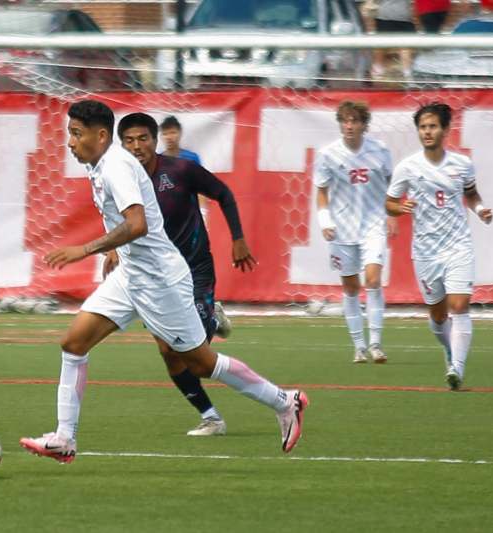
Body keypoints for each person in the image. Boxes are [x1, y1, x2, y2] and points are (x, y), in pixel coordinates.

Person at [19, 100, 308, 463]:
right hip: (131, 275)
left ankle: (286, 401)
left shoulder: (117, 167)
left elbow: (137, 224)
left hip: (160, 282)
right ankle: (64, 438)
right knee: (74, 343)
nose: (70, 142)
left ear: (101, 135)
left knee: (201, 364)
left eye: (76, 134)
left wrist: (87, 248)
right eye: (70, 134)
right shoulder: (102, 165)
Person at [115, 112, 256, 436]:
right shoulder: (121, 180)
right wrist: (112, 250)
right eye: (129, 141)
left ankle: (211, 317)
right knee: (167, 352)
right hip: (156, 277)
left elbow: (223, 194)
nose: (137, 146)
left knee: (194, 355)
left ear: (155, 140)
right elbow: (118, 221)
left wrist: (237, 239)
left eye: (143, 139)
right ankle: (211, 417)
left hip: (195, 269)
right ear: (122, 146)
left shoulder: (180, 170)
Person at [386, 102, 492, 390]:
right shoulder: (407, 167)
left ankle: (457, 367)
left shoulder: (462, 164)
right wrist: (399, 207)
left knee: (459, 305)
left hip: (459, 244)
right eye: (422, 127)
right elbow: (389, 203)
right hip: (425, 251)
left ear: (445, 130)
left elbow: (471, 195)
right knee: (438, 314)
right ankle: (449, 350)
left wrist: (480, 208)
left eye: (432, 126)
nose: (427, 131)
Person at [314, 101, 396, 364]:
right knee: (350, 287)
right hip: (342, 228)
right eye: (345, 121)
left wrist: (392, 213)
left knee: (372, 280)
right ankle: (358, 346)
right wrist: (325, 220)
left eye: (355, 121)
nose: (349, 126)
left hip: (372, 224)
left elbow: (391, 185)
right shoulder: (328, 154)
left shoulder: (380, 151)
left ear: (364, 124)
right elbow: (322, 193)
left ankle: (375, 344)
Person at [368, 0, 415, 79]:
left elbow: (374, 3)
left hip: (386, 16)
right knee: (405, 47)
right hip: (403, 16)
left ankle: (377, 71)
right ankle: (407, 73)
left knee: (381, 46)